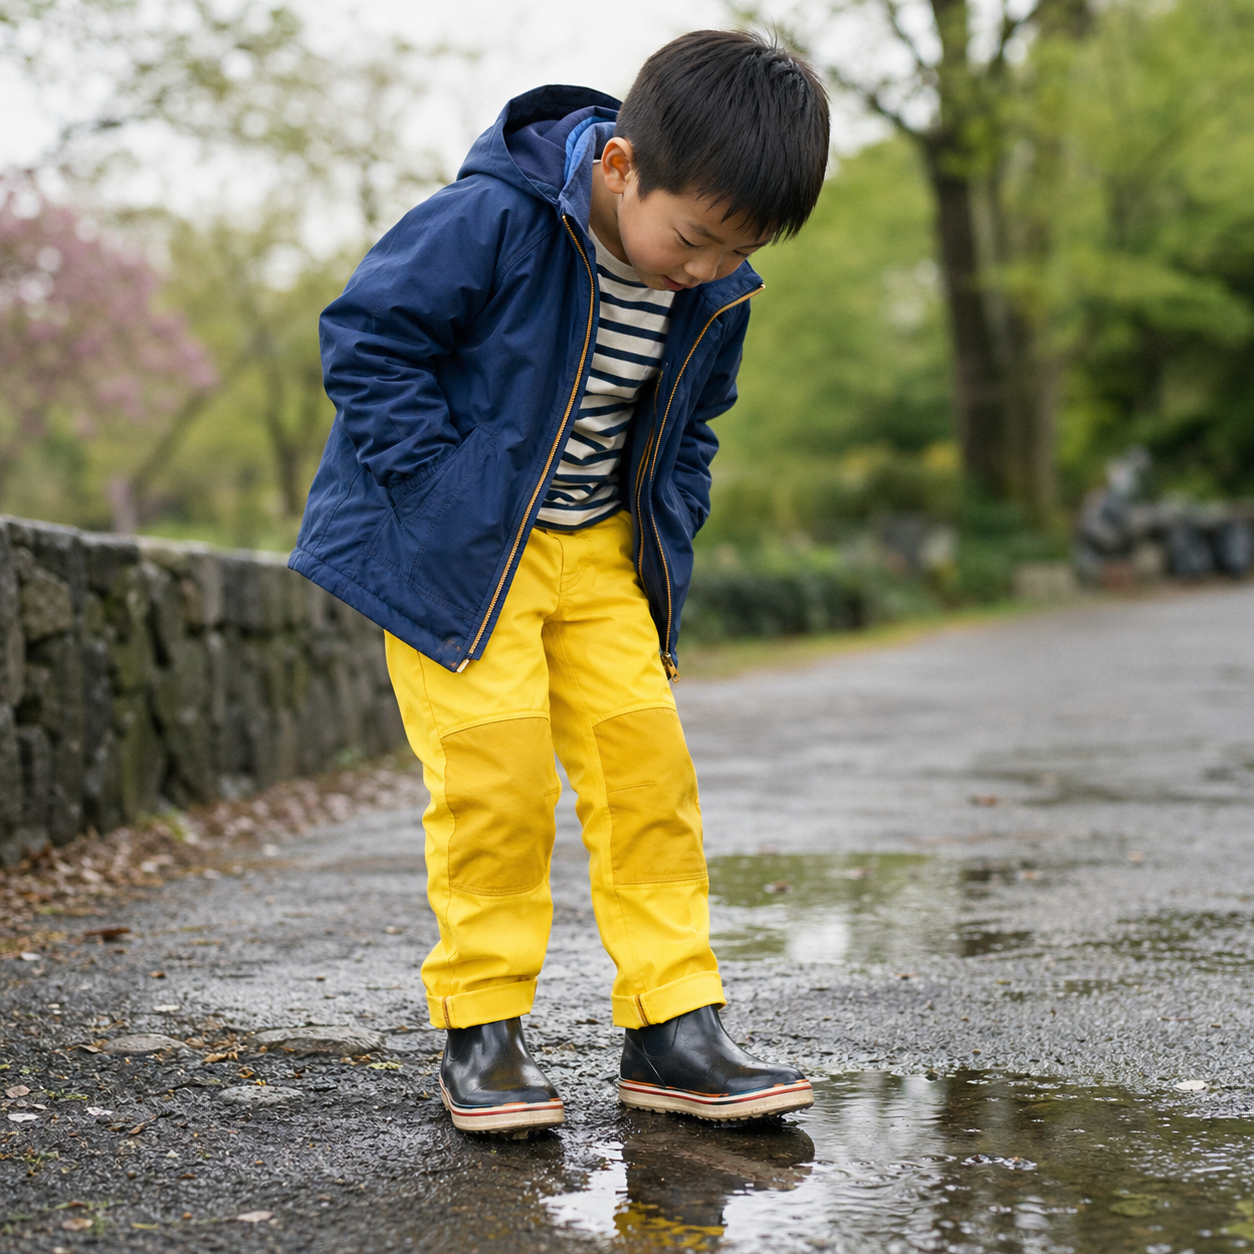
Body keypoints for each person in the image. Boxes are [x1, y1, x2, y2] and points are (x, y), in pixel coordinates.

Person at [291, 29, 830, 1134]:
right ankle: (482, 1030)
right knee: (495, 781)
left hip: (598, 552)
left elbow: (691, 430)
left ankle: (673, 1025)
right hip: (466, 559)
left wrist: (668, 523)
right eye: (694, 239)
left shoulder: (710, 291)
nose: (707, 270)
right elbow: (365, 338)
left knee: (648, 774)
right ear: (621, 167)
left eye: (739, 251)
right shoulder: (491, 219)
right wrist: (439, 494)